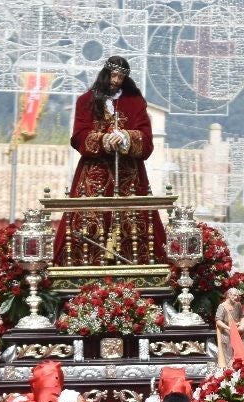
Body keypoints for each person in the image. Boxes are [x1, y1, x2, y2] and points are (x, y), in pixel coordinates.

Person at [54, 56, 163, 266]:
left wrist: (126, 138)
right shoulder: (86, 101)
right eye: (113, 75)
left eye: (121, 77)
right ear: (105, 74)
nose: (116, 81)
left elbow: (147, 141)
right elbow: (78, 137)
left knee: (134, 225)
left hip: (128, 176)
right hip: (93, 175)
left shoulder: (136, 102)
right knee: (87, 223)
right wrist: (103, 139)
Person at [214, 287, 244, 368]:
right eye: (234, 295)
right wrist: (229, 328)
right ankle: (228, 372)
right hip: (227, 334)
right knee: (228, 354)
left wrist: (242, 326)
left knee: (239, 354)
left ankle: (238, 371)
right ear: (229, 295)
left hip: (238, 333)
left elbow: (242, 316)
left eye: (237, 295)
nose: (236, 297)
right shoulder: (222, 306)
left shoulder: (238, 305)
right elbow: (218, 321)